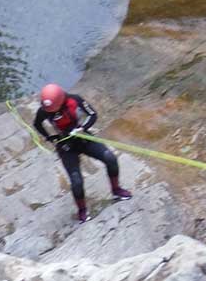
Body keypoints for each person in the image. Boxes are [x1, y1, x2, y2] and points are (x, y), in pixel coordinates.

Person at [32, 83, 132, 223]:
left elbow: (92, 114)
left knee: (110, 158)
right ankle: (82, 210)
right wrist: (51, 137)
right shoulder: (44, 111)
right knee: (76, 182)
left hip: (83, 138)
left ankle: (116, 190)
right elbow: (37, 124)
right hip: (65, 145)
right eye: (49, 109)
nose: (51, 112)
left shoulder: (74, 100)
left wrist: (82, 128)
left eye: (53, 109)